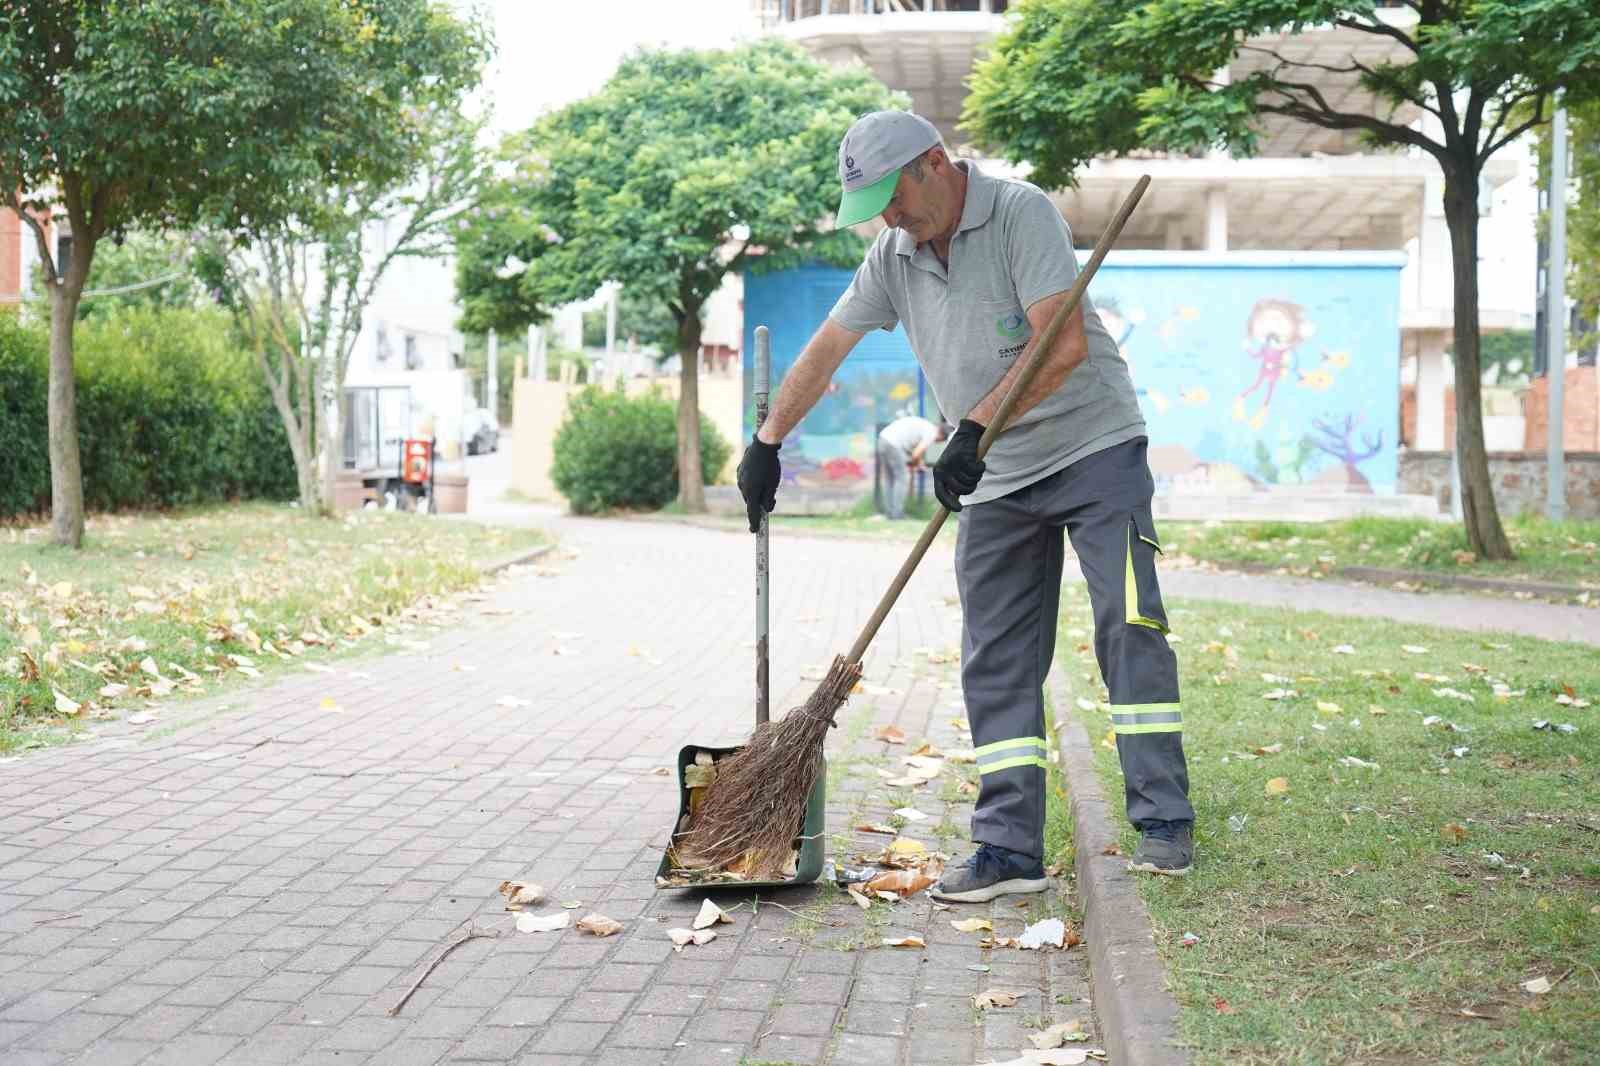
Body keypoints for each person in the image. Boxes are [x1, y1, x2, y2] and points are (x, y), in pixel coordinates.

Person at [736, 110, 1193, 902]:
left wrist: (974, 424)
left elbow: (1064, 344)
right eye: (875, 206)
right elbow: (828, 348)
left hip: (1096, 451)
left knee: (1129, 621)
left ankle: (1163, 817)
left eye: (894, 197)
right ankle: (1008, 849)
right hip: (997, 474)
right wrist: (769, 439)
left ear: (934, 164)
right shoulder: (894, 255)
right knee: (997, 656)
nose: (890, 217)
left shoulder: (1020, 213)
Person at [877, 415, 946, 520]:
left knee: (889, 479)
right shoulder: (932, 432)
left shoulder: (925, 425)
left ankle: (889, 513)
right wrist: (917, 464)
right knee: (902, 478)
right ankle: (897, 515)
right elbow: (915, 454)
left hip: (883, 439)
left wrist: (917, 463)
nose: (935, 442)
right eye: (939, 441)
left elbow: (912, 451)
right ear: (941, 435)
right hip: (893, 444)